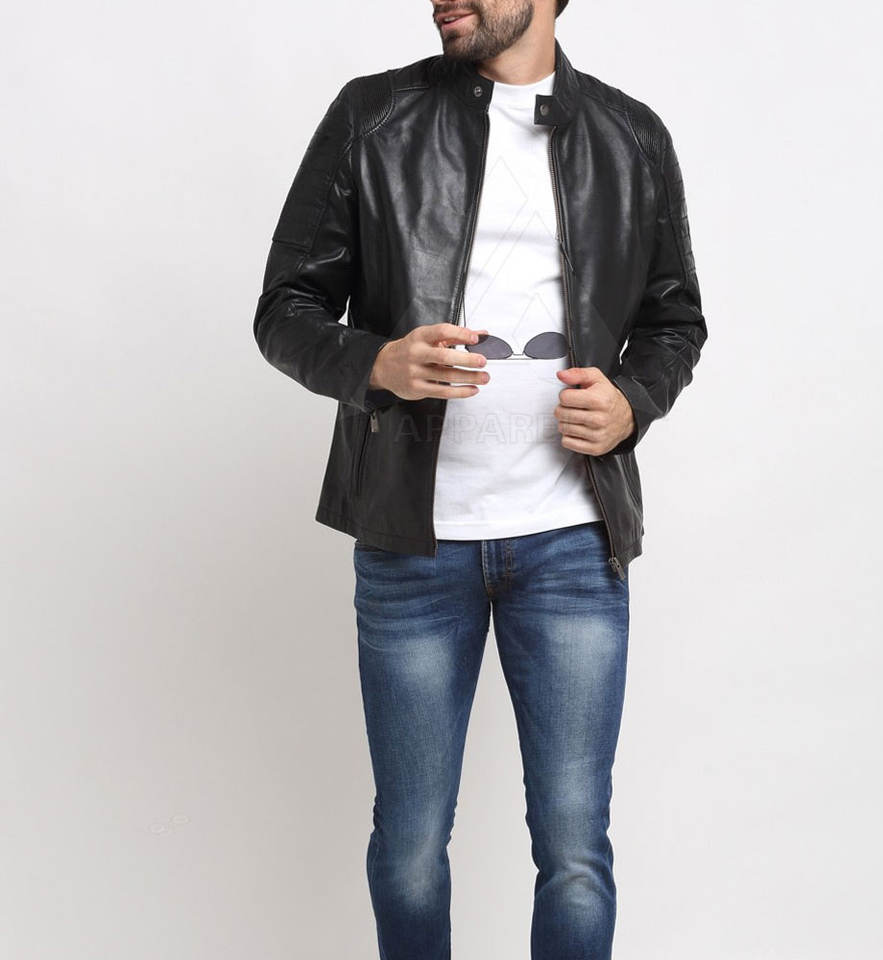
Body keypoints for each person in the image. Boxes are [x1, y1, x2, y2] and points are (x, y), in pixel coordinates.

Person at [253, 1, 707, 957]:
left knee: (575, 851)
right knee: (412, 846)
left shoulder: (631, 137)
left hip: (573, 541)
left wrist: (633, 401)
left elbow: (676, 323)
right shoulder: (373, 117)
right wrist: (377, 362)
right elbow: (285, 309)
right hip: (413, 546)